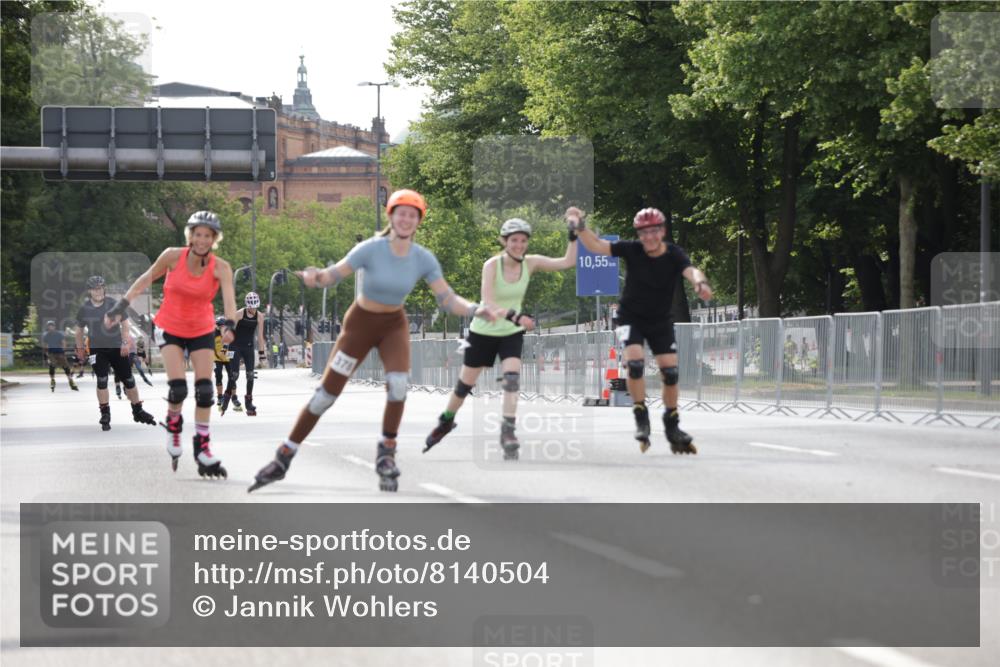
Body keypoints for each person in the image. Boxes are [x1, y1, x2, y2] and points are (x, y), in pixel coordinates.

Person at [249, 189, 504, 494]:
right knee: (324, 397)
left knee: (398, 385)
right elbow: (336, 273)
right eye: (402, 213)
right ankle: (284, 455)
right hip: (360, 325)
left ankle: (386, 453)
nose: (406, 219)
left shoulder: (423, 258)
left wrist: (477, 309)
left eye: (413, 215)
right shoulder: (371, 249)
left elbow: (447, 298)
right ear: (391, 216)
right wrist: (317, 277)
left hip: (393, 326)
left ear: (418, 221)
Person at [423, 217, 577, 459]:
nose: (519, 245)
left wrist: (573, 232)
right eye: (514, 240)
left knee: (512, 379)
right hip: (484, 331)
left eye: (523, 241)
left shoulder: (531, 263)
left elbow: (568, 261)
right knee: (465, 385)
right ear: (504, 241)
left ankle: (508, 431)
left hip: (510, 333)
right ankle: (446, 420)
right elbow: (488, 302)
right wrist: (516, 316)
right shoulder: (492, 265)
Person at [570, 206, 712, 453]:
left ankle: (671, 423)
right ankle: (640, 415)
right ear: (639, 234)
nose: (649, 238)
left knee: (671, 373)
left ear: (663, 231)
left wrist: (699, 283)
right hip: (631, 318)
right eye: (643, 233)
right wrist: (580, 226)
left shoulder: (674, 254)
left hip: (660, 321)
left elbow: (691, 270)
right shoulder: (632, 250)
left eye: (654, 232)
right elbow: (595, 246)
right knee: (635, 365)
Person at [105, 211, 237, 478]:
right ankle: (174, 428)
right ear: (190, 235)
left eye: (207, 236)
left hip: (201, 328)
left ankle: (202, 448)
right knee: (178, 388)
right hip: (170, 326)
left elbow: (230, 302)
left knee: (205, 390)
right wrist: (121, 307)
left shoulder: (221, 267)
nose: (201, 240)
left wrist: (229, 326)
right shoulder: (171, 256)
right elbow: (144, 280)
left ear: (214, 239)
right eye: (197, 234)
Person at [74, 275, 156, 431]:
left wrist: (125, 343)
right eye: (94, 289)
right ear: (90, 291)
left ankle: (137, 410)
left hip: (117, 347)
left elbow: (125, 326)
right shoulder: (84, 309)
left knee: (129, 380)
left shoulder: (114, 304)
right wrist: (79, 349)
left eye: (100, 288)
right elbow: (78, 331)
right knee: (102, 380)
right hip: (97, 349)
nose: (98, 291)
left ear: (103, 288)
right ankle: (105, 413)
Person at [220, 292, 267, 416]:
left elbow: (260, 337)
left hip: (248, 347)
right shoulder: (240, 314)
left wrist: (262, 354)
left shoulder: (260, 316)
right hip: (234, 346)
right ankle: (226, 397)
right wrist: (225, 347)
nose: (253, 309)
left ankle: (248, 402)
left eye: (255, 307)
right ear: (247, 305)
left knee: (250, 375)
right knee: (234, 374)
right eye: (251, 307)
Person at [41, 320, 78, 392]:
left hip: (60, 352)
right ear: (48, 327)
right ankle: (52, 380)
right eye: (49, 326)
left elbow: (63, 342)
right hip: (51, 353)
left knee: (66, 367)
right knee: (52, 366)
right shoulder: (46, 335)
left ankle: (71, 381)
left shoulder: (58, 334)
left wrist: (63, 350)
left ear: (54, 327)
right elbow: (45, 345)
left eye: (52, 326)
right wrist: (46, 353)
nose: (50, 327)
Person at [212, 316, 237, 412]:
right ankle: (220, 396)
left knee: (232, 377)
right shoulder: (213, 334)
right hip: (217, 359)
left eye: (222, 326)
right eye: (219, 326)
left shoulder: (229, 333)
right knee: (218, 375)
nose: (220, 328)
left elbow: (235, 346)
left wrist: (238, 359)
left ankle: (234, 397)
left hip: (228, 359)